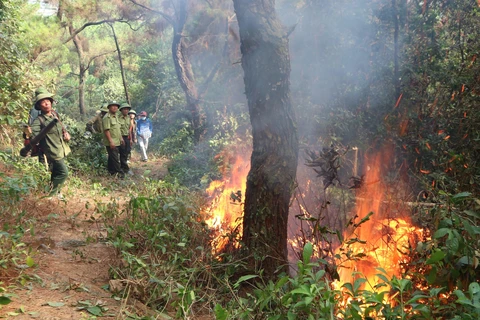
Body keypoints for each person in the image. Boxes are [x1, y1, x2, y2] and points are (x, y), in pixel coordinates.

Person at [30, 89, 71, 198]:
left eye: (48, 100)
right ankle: (51, 195)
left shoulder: (54, 114)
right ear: (39, 105)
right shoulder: (39, 120)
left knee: (56, 172)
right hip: (52, 151)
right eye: (43, 102)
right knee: (63, 173)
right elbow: (33, 135)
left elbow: (61, 127)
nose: (46, 103)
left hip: (61, 148)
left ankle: (56, 192)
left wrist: (66, 133)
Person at [102, 101, 124, 178]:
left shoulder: (116, 116)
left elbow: (118, 128)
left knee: (112, 158)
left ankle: (111, 172)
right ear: (109, 108)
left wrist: (121, 138)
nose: (115, 107)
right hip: (111, 142)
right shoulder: (107, 117)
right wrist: (111, 142)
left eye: (116, 106)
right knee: (115, 158)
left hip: (117, 141)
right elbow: (106, 130)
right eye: (113, 106)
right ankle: (120, 174)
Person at [119, 103, 132, 174]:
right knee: (122, 152)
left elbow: (129, 129)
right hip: (121, 137)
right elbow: (118, 129)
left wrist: (131, 139)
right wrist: (121, 138)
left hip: (127, 137)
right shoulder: (118, 118)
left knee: (127, 151)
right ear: (121, 110)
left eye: (127, 109)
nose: (126, 110)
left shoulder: (128, 117)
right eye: (124, 109)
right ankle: (125, 168)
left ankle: (123, 165)